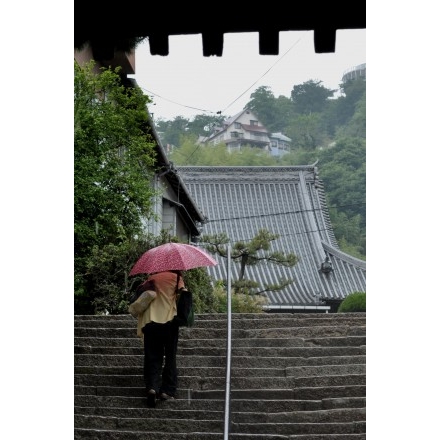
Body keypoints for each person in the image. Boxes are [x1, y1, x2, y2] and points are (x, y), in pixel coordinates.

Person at [135, 270, 185, 408]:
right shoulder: (176, 277)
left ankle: (152, 387)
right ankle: (167, 391)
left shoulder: (151, 278)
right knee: (170, 357)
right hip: (170, 321)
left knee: (152, 356)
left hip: (150, 321)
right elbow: (183, 294)